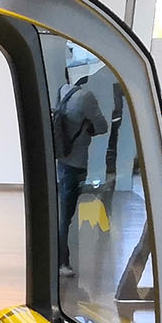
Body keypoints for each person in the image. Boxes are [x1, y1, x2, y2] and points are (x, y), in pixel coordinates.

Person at [53, 74, 106, 277]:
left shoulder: (63, 91)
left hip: (62, 157)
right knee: (66, 215)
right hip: (76, 161)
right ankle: (61, 261)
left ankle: (59, 257)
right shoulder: (86, 97)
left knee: (64, 211)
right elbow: (102, 126)